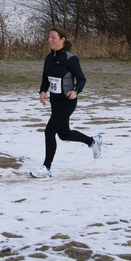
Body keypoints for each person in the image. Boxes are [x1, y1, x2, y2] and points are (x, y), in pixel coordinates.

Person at [31, 26, 102, 178]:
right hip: (55, 101)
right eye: (49, 37)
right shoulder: (49, 58)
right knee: (64, 134)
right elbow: (45, 77)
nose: (50, 40)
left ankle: (46, 168)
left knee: (49, 131)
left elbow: (81, 79)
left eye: (53, 38)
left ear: (62, 40)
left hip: (67, 101)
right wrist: (43, 91)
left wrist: (75, 91)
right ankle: (92, 141)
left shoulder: (70, 59)